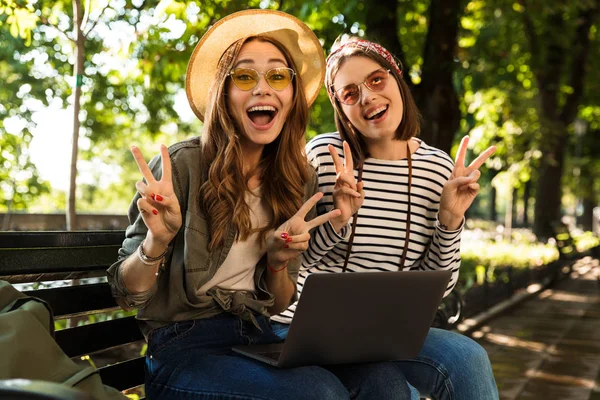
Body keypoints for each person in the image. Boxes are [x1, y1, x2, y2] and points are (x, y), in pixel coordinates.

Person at [108, 11, 415, 400]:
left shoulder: (294, 177)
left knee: (384, 382)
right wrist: (157, 241)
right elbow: (125, 293)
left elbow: (279, 301)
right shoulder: (182, 166)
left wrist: (276, 262)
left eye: (277, 76)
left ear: (290, 95)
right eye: (244, 76)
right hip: (182, 349)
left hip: (257, 337)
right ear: (224, 92)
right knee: (317, 393)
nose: (262, 89)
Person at [271, 35, 500, 400]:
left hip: (387, 329)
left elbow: (440, 284)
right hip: (308, 326)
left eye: (376, 80)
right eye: (350, 93)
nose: (367, 98)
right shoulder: (323, 157)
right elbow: (291, 262)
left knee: (468, 357)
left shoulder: (439, 168)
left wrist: (449, 221)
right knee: (391, 390)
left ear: (397, 79)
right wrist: (338, 220)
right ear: (341, 108)